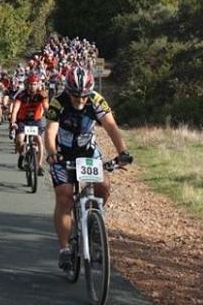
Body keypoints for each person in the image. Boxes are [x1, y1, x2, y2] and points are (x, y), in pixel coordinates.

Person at [44, 66, 133, 272]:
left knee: (103, 186)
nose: (80, 100)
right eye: (75, 95)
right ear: (68, 91)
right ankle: (64, 249)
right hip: (63, 153)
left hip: (87, 152)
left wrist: (123, 152)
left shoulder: (97, 100)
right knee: (64, 195)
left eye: (84, 96)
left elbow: (111, 126)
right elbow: (50, 132)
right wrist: (51, 152)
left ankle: (92, 222)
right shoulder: (58, 102)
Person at [10, 73, 48, 176]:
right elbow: (15, 110)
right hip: (22, 121)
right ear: (27, 85)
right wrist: (13, 122)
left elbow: (46, 108)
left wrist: (50, 117)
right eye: (30, 84)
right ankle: (22, 155)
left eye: (34, 84)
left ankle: (39, 166)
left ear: (38, 85)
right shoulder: (21, 95)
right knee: (19, 140)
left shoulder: (42, 95)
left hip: (36, 121)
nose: (32, 86)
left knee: (39, 140)